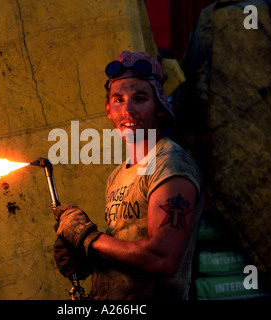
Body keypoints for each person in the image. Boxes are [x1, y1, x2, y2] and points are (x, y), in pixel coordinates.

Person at [53, 51, 204, 300]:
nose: (128, 110)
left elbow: (162, 259)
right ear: (108, 109)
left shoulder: (170, 165)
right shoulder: (117, 176)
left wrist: (88, 238)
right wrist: (86, 256)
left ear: (160, 108)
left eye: (141, 98)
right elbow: (127, 251)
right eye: (118, 99)